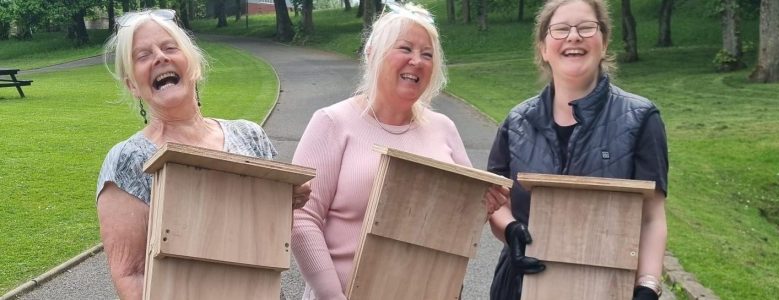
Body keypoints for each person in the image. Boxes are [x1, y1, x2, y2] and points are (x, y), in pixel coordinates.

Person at [290, 3, 508, 299]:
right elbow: (303, 219)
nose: (417, 61)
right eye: (405, 48)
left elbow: (458, 220)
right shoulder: (332, 123)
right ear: (372, 53)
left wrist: (483, 206)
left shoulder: (444, 128)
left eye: (427, 54)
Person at [95, 9, 310, 299]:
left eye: (170, 48)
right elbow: (130, 274)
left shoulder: (249, 135)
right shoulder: (128, 160)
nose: (160, 57)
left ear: (193, 64)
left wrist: (286, 200)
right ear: (132, 85)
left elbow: (271, 242)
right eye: (143, 55)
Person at [486, 0, 669, 299]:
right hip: (519, 287)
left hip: (605, 289)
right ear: (544, 48)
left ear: (604, 42)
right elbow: (495, 201)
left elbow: (652, 217)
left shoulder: (641, 119)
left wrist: (647, 285)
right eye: (560, 29)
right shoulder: (516, 121)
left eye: (586, 27)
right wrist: (510, 229)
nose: (574, 37)